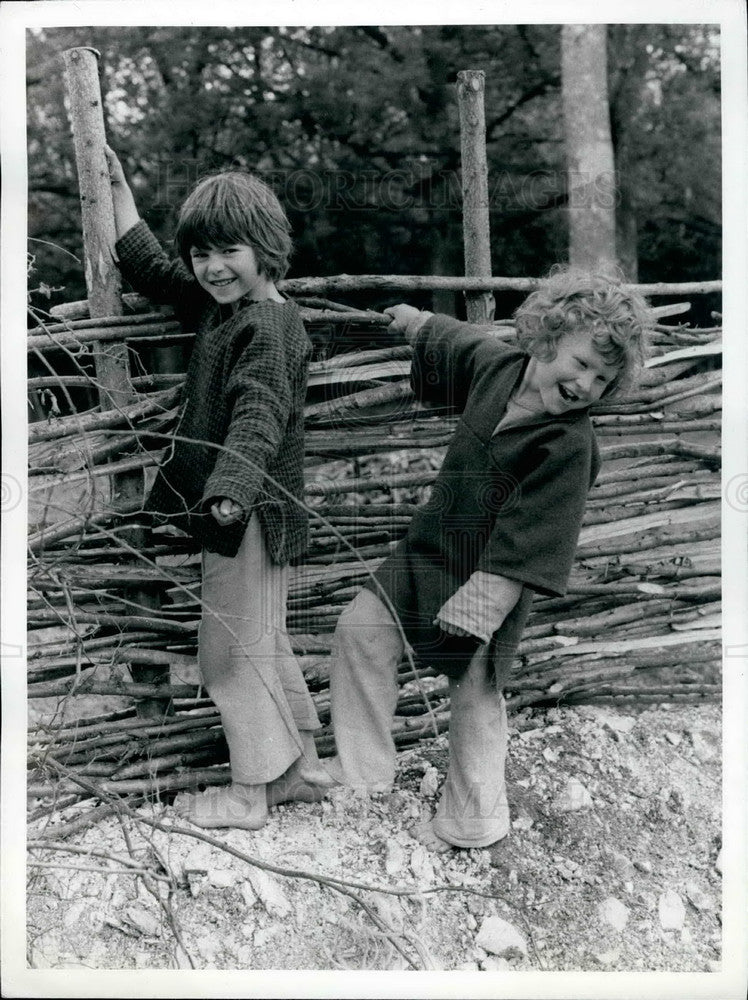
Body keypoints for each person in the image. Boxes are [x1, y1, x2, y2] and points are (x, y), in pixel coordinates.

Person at [326, 268, 651, 851]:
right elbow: (457, 340)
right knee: (360, 630)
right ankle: (364, 775)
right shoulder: (500, 369)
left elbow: (536, 539)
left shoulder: (568, 447)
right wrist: (417, 326)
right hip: (429, 549)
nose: (585, 384)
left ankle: (474, 818)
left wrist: (481, 604)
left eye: (602, 379)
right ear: (545, 338)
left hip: (489, 578)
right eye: (579, 363)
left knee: (474, 689)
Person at [105, 148, 330, 830]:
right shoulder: (228, 310)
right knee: (264, 636)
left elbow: (258, 412)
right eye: (202, 253)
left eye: (228, 250)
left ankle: (248, 794)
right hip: (254, 509)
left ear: (265, 248)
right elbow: (154, 271)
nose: (212, 267)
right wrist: (118, 191)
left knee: (229, 652)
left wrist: (229, 492)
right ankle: (300, 769)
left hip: (247, 511)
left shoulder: (264, 327)